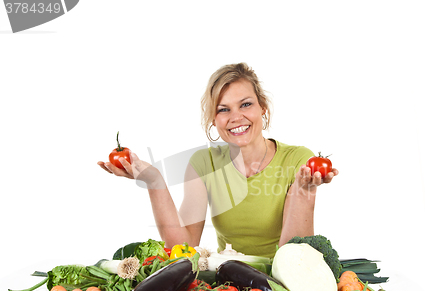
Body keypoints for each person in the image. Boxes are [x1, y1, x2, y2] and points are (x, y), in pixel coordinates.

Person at [97, 63, 338, 258]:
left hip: (282, 287)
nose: (236, 117)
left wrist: (304, 190)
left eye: (246, 104)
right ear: (214, 119)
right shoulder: (204, 163)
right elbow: (184, 247)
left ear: (262, 107)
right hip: (229, 287)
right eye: (224, 109)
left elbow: (294, 258)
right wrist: (154, 181)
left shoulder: (297, 160)